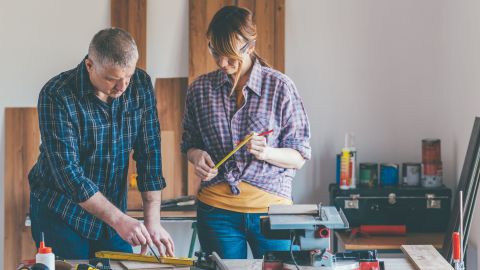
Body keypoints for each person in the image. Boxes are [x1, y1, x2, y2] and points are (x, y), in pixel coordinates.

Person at [28, 27, 174, 259]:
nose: (122, 87)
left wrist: (152, 221)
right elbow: (68, 173)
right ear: (89, 65)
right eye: (112, 79)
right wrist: (120, 220)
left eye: (128, 77)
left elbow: (150, 152)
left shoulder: (141, 85)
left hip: (112, 212)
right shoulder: (56, 94)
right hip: (61, 211)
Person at [181, 6, 311, 259]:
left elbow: (300, 155)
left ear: (250, 47)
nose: (221, 63)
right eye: (215, 52)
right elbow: (190, 143)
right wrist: (197, 157)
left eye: (230, 56)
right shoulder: (200, 90)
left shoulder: (280, 87)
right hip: (216, 212)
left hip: (273, 214)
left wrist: (267, 152)